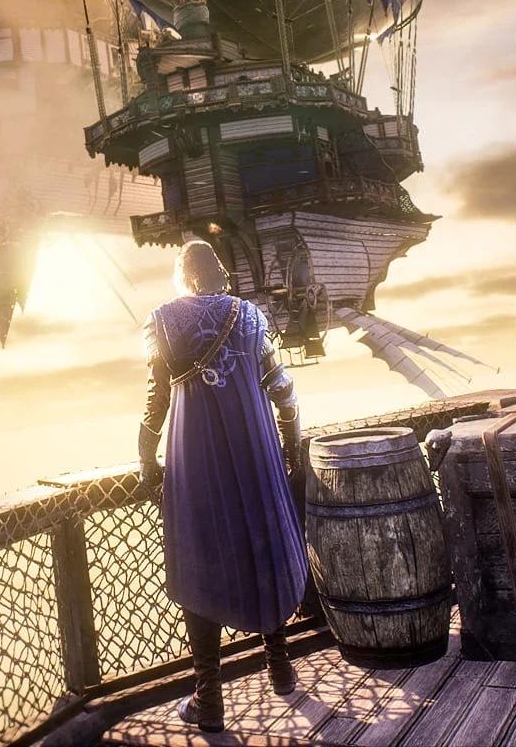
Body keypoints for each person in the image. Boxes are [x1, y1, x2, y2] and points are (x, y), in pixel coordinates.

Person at [138, 240, 307, 730]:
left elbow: (155, 403)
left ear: (184, 278)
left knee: (201, 560)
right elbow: (285, 393)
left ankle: (209, 698)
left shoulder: (162, 320)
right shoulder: (251, 317)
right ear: (220, 275)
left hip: (195, 460)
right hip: (257, 453)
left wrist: (146, 458)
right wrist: (292, 447)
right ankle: (280, 666)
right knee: (264, 548)